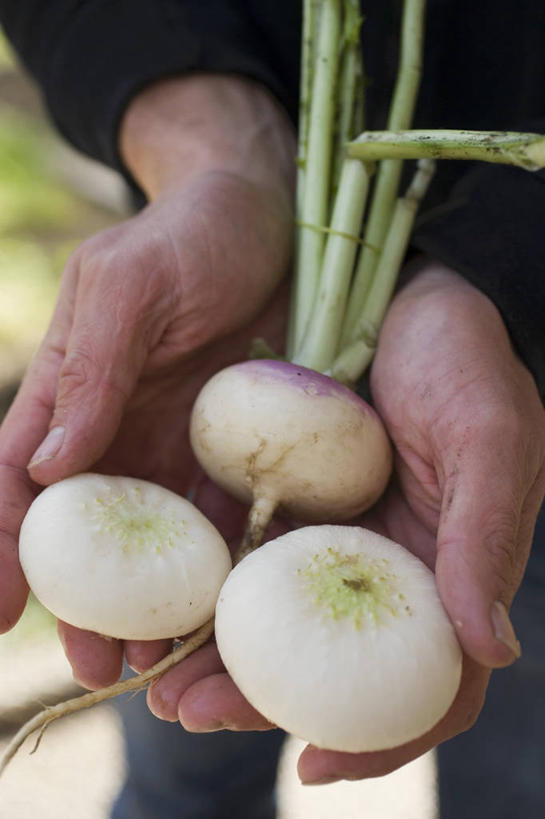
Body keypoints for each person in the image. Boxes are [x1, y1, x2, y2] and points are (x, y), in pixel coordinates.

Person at [0, 1, 544, 815]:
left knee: (514, 767)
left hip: (510, 387)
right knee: (181, 754)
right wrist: (206, 143)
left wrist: (504, 267)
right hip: (197, 375)